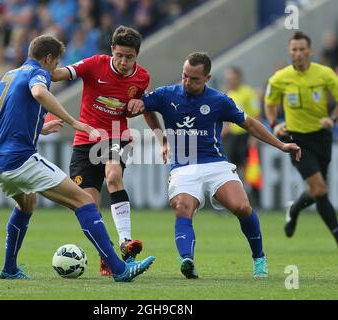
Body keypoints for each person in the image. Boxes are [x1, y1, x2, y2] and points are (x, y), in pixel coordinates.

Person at [0, 34, 154, 281]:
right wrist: (75, 123)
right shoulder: (40, 73)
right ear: (48, 59)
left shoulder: (9, 76)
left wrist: (39, 128)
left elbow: (6, 115)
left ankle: (9, 268)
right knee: (85, 202)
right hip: (22, 160)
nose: (55, 68)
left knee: (26, 204)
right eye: (55, 63)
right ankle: (120, 270)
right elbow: (39, 92)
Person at [128, 52, 301, 279]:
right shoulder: (166, 94)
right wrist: (160, 137)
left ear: (207, 78)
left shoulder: (219, 101)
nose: (187, 82)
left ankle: (259, 257)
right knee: (182, 207)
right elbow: (145, 107)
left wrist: (280, 144)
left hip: (215, 163)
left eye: (194, 79)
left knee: (242, 207)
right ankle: (187, 260)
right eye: (184, 76)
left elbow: (249, 124)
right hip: (183, 165)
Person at [51, 26, 149, 275]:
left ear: (137, 55)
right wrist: (40, 69)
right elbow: (61, 74)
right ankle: (106, 257)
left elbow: (133, 105)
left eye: (129, 57)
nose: (124, 62)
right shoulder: (95, 64)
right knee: (88, 205)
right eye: (119, 55)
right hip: (85, 139)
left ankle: (125, 242)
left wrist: (140, 103)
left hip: (117, 134)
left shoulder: (142, 78)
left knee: (114, 176)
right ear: (112, 51)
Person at [265, 31, 338, 244]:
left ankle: (294, 209)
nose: (298, 54)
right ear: (290, 52)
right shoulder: (280, 78)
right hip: (296, 139)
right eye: (294, 50)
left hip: (321, 137)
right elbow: (270, 103)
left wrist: (332, 119)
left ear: (310, 50)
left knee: (317, 189)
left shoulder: (325, 74)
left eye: (302, 49)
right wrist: (274, 124)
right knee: (320, 188)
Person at [221, 67, 261, 206]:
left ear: (238, 77)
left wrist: (254, 137)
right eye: (227, 78)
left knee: (251, 169)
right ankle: (230, 203)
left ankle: (256, 203)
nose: (228, 80)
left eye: (231, 78)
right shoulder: (227, 93)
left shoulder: (248, 93)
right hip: (231, 137)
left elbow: (256, 115)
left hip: (245, 135)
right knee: (229, 170)